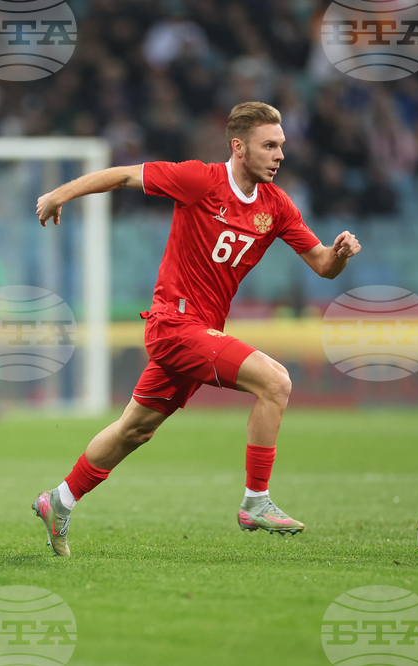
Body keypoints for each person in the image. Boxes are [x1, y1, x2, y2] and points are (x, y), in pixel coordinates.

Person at [32, 102, 361, 557]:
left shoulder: (276, 206)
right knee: (276, 381)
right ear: (238, 147)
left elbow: (324, 265)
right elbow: (124, 175)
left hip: (200, 332)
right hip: (173, 323)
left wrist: (340, 252)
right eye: (269, 145)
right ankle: (256, 501)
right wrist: (59, 195)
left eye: (282, 145)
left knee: (134, 430)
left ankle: (58, 500)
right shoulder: (199, 180)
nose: (280, 154)